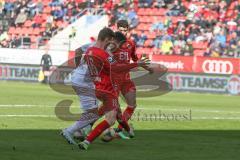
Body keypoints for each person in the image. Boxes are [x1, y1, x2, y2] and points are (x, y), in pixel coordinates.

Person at [61, 28, 149, 147]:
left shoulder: (91, 48)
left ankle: (80, 131)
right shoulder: (105, 53)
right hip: (89, 84)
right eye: (111, 42)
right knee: (95, 114)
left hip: (85, 81)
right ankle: (73, 131)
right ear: (107, 39)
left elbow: (80, 53)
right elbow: (116, 67)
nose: (113, 45)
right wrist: (137, 64)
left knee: (95, 112)